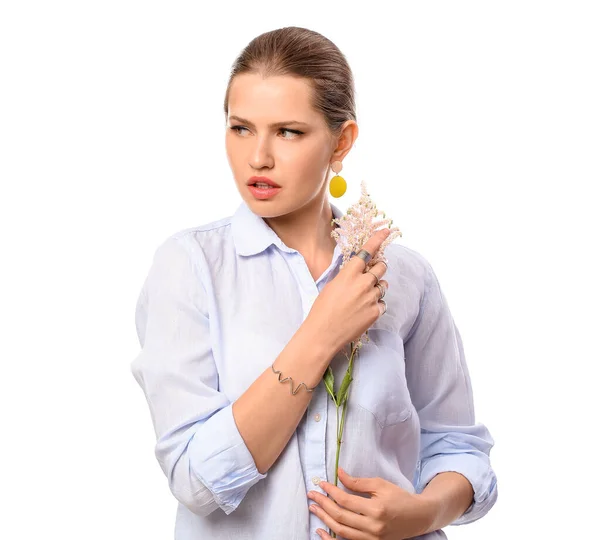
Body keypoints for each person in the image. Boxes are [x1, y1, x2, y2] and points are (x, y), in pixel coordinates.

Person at [131, 26, 498, 540]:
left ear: (340, 142)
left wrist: (421, 513)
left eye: (288, 132)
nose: (258, 156)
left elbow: (457, 446)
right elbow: (195, 481)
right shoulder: (190, 268)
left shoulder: (407, 277)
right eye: (241, 128)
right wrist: (321, 333)